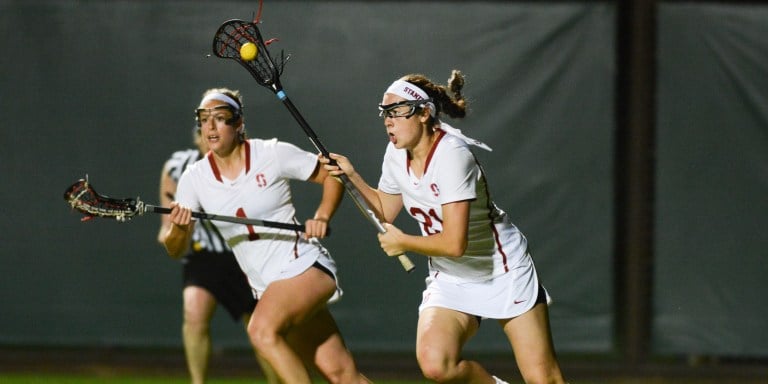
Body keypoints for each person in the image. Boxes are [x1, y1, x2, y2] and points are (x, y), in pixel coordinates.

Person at [322, 70, 567, 384]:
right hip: (451, 275)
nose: (388, 121)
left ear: (424, 113)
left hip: (501, 267)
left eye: (397, 111)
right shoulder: (396, 154)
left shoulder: (452, 156)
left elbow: (455, 243)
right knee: (437, 365)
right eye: (385, 113)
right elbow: (384, 209)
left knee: (544, 379)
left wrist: (405, 243)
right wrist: (351, 177)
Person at [162, 87, 370, 384]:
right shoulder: (194, 178)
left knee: (260, 330)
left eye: (219, 118)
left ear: (238, 124)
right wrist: (179, 230)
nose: (209, 126)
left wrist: (322, 215)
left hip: (303, 267)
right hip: (266, 285)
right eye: (203, 119)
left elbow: (331, 174)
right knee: (342, 375)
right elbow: (174, 248)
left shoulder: (270, 153)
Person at [157, 126, 279, 384]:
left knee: (260, 329)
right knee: (194, 313)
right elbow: (168, 223)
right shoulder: (180, 166)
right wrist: (170, 229)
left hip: (245, 254)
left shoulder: (250, 162)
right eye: (205, 134)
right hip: (204, 256)